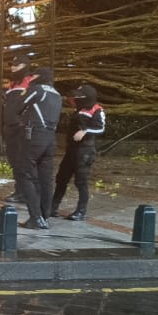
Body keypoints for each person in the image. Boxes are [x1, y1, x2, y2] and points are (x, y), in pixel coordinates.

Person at [16, 66, 62, 229]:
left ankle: (35, 217)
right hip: (50, 138)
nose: (30, 78)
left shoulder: (37, 90)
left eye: (32, 75)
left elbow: (18, 106)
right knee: (45, 178)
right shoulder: (57, 94)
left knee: (23, 172)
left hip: (35, 135)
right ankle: (44, 215)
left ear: (38, 77)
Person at [52, 83, 106, 220]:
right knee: (61, 178)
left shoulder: (96, 110)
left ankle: (81, 211)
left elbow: (100, 128)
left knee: (81, 181)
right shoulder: (78, 109)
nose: (75, 98)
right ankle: (52, 207)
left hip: (85, 150)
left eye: (79, 96)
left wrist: (85, 131)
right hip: (72, 149)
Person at [1, 54, 35, 203]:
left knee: (23, 161)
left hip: (22, 128)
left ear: (25, 66)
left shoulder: (31, 82)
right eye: (12, 65)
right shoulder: (12, 83)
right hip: (10, 127)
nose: (13, 67)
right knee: (14, 160)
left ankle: (26, 192)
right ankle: (20, 190)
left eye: (17, 65)